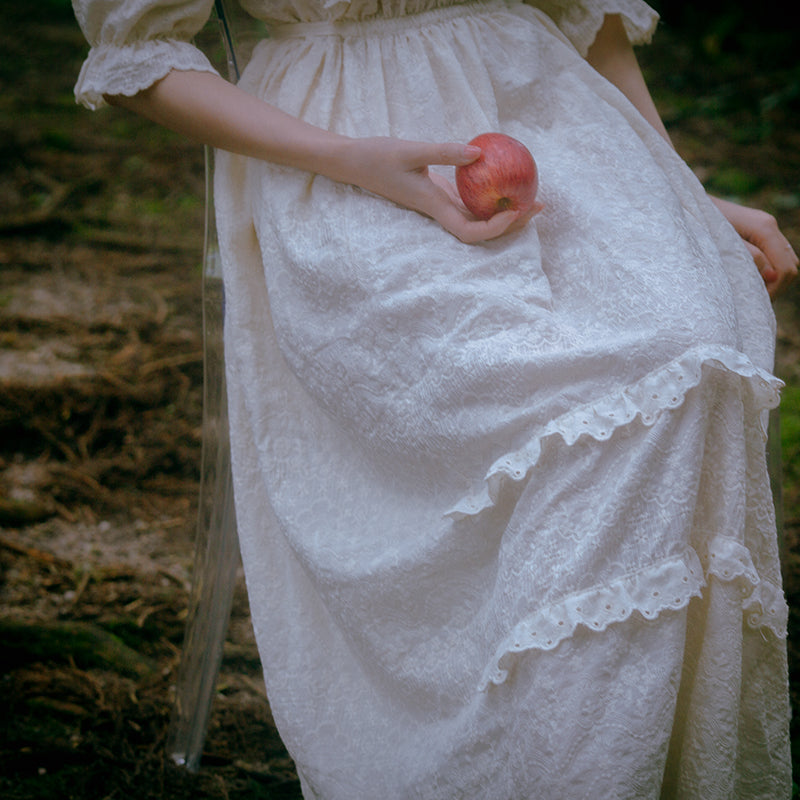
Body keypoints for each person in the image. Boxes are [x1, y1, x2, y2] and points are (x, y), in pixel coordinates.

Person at [72, 0, 797, 796]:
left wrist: (680, 194)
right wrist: (349, 158)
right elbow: (140, 52)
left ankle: (615, 768)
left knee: (687, 354)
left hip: (562, 129)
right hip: (337, 153)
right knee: (583, 404)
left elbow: (589, 20)